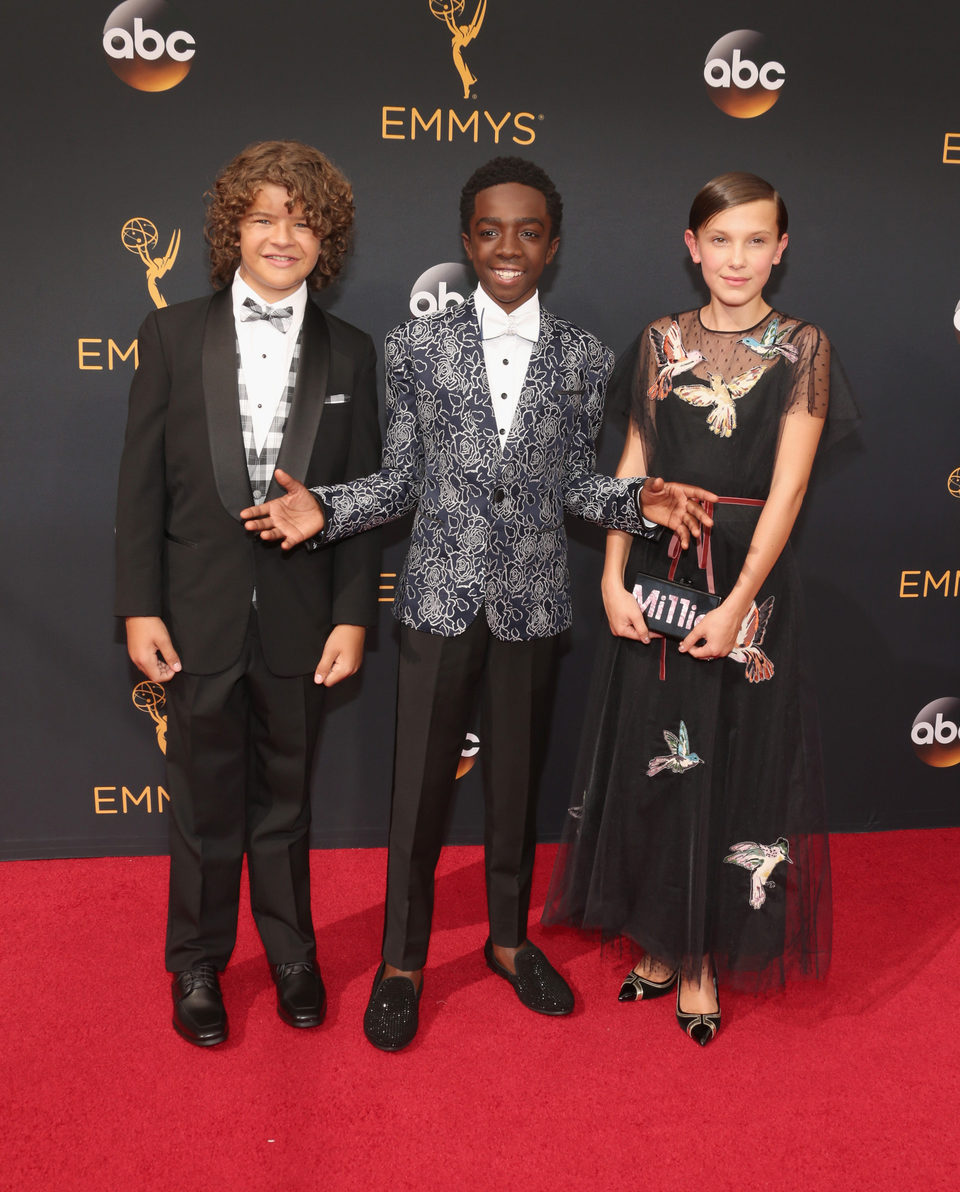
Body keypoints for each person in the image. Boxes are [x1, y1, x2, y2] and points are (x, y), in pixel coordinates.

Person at [241, 156, 715, 1051]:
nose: (509, 247)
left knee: (516, 789)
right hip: (436, 601)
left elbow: (577, 482)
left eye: (528, 231)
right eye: (490, 230)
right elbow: (403, 479)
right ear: (466, 241)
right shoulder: (412, 348)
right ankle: (402, 964)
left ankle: (507, 941)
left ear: (554, 245)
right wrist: (327, 509)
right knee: (417, 796)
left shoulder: (584, 356)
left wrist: (637, 500)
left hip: (531, 608)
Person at [542, 172, 858, 1046]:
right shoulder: (657, 341)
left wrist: (738, 605)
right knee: (654, 755)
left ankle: (703, 958)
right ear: (691, 246)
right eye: (720, 240)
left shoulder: (804, 348)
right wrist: (610, 576)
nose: (738, 258)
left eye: (757, 240)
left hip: (746, 584)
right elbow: (634, 460)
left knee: (733, 764)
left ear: (782, 249)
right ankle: (654, 935)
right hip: (655, 569)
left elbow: (789, 490)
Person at [114, 140, 382, 1046]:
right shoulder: (170, 334)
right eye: (264, 217)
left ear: (327, 241)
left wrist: (352, 615)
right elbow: (140, 486)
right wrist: (138, 605)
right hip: (194, 615)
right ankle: (196, 962)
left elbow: (357, 498)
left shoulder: (351, 352)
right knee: (199, 799)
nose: (283, 236)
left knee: (286, 799)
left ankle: (292, 952)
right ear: (232, 229)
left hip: (303, 622)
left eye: (304, 221)